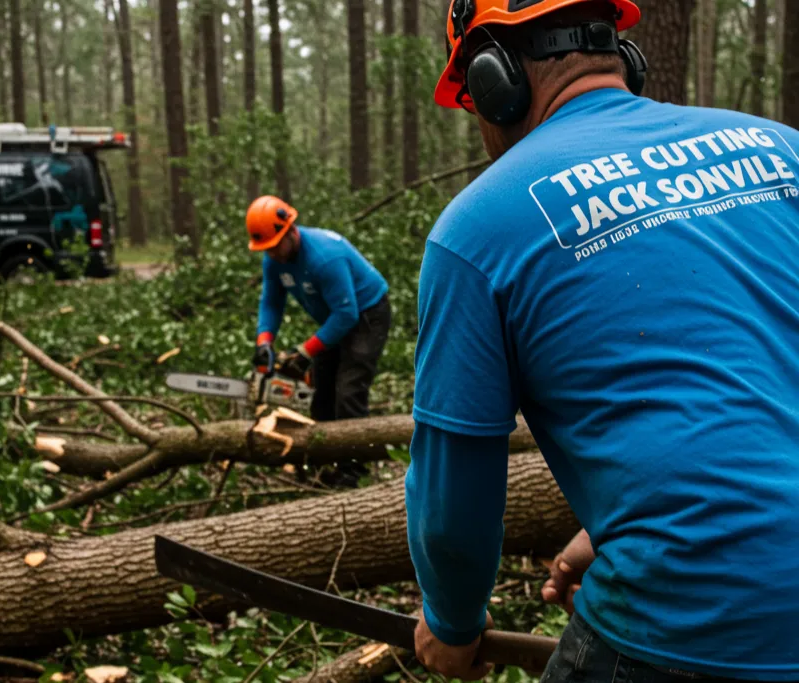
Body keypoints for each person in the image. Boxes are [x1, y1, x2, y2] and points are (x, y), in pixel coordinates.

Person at [404, 0, 799, 681]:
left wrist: (451, 620)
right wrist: (626, 520)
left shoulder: (476, 231)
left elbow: (453, 502)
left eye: (471, 95)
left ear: (496, 78)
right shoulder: (782, 148)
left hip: (701, 616)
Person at [247, 195, 392, 487]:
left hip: (365, 315)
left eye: (275, 246)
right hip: (335, 318)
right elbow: (271, 302)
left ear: (290, 230)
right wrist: (265, 341)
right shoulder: (274, 260)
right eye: (267, 249)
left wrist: (305, 351)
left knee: (348, 392)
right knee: (322, 394)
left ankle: (353, 470)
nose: (272, 254)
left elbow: (347, 314)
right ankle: (325, 463)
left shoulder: (325, 258)